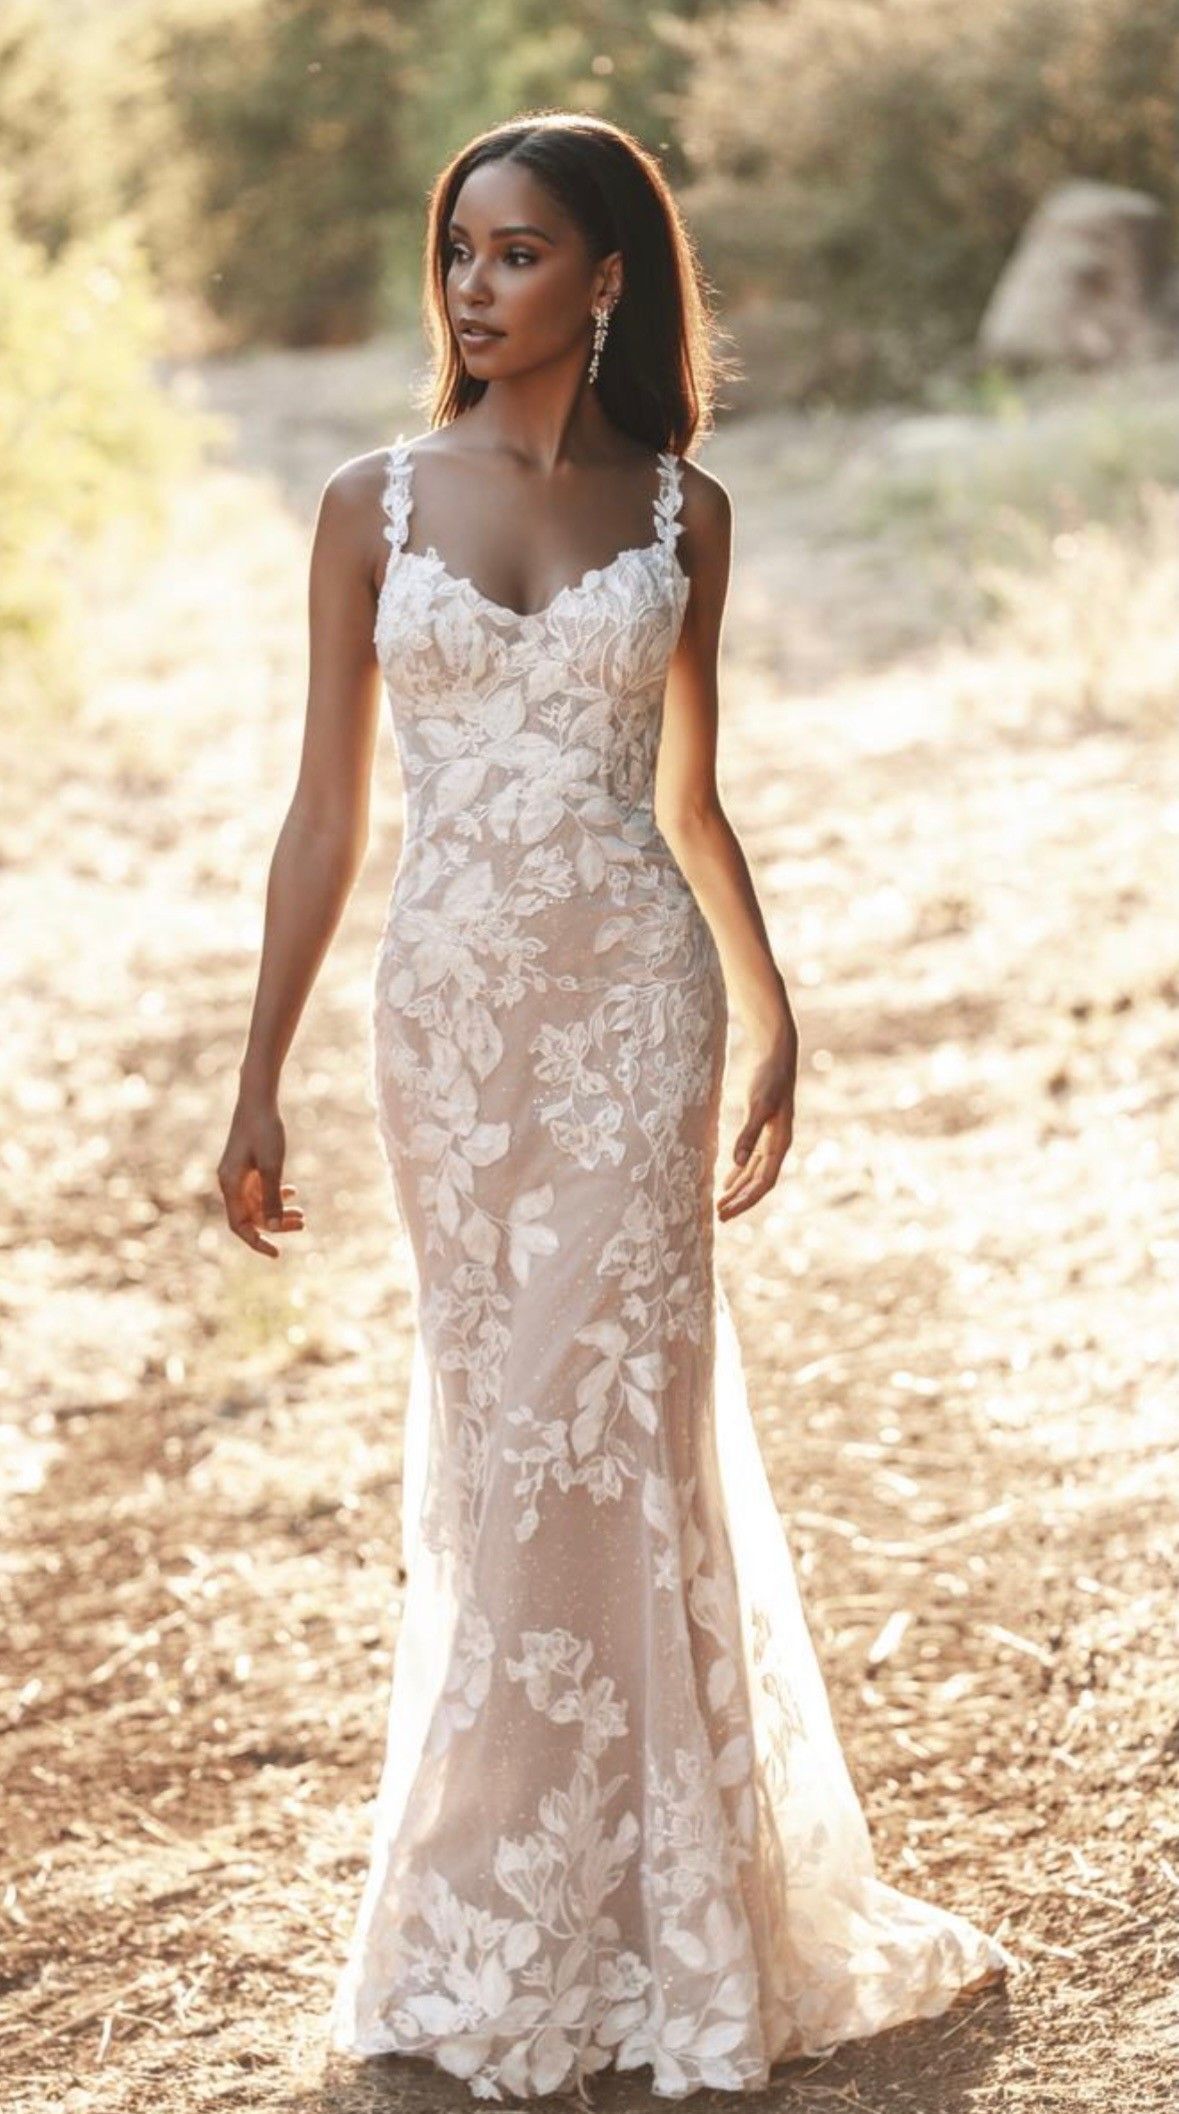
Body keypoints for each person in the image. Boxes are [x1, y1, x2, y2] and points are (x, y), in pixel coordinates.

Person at [217, 110, 1018, 2108]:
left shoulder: (685, 513)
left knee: (622, 1430)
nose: (474, 287)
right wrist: (256, 1073)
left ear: (604, 277)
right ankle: (491, 1903)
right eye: (458, 251)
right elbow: (323, 816)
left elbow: (690, 798)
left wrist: (773, 1006)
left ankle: (668, 1918)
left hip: (632, 1015)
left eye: (515, 252)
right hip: (452, 1031)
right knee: (501, 1443)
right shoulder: (366, 504)